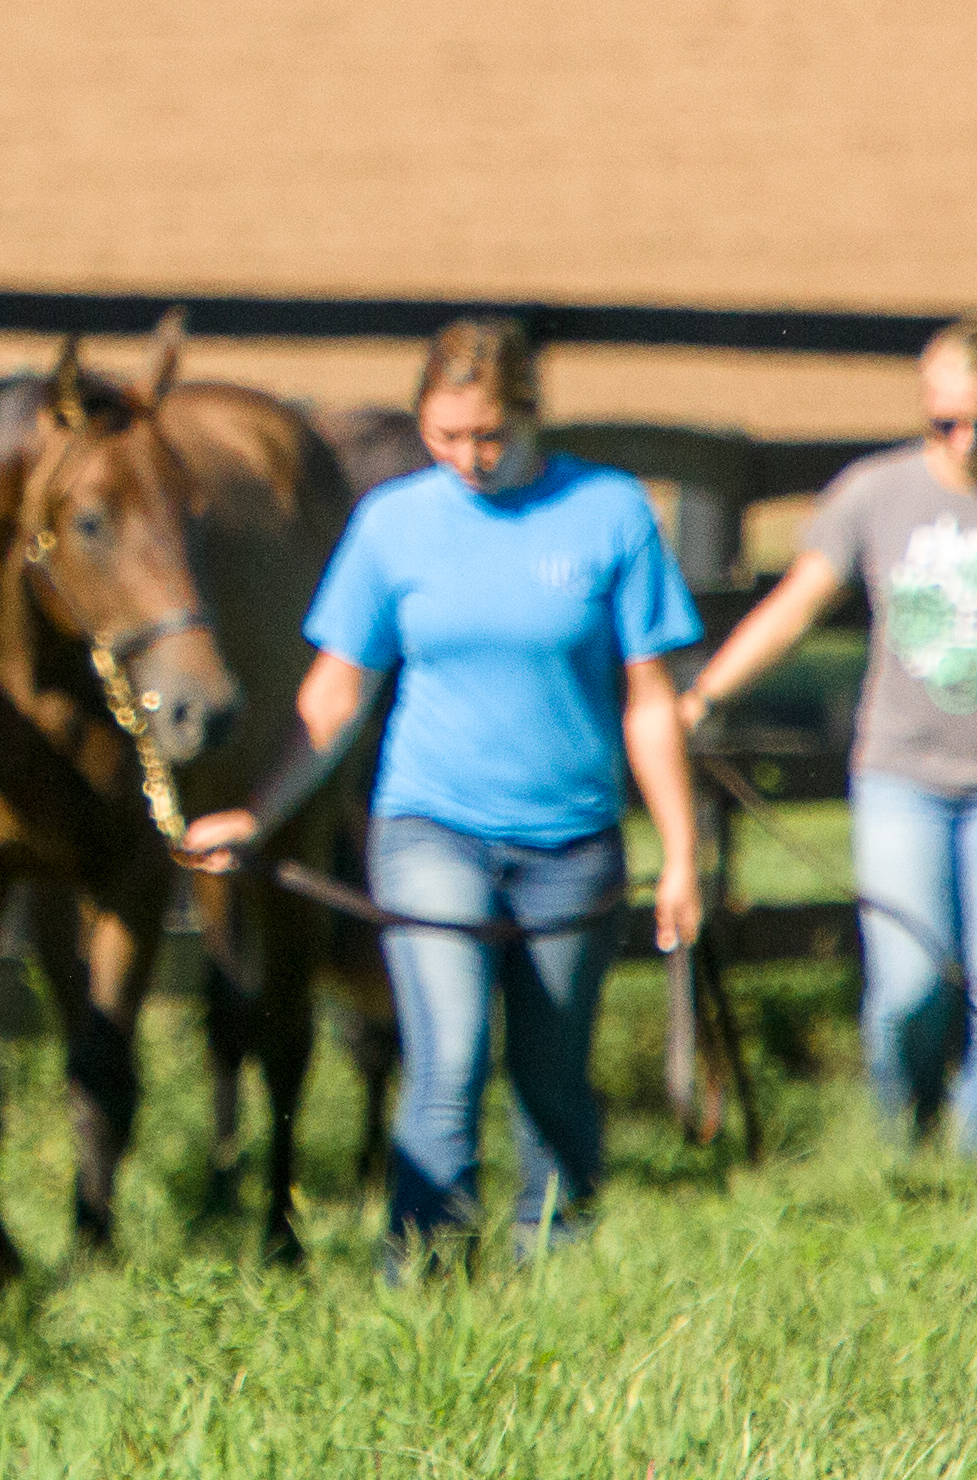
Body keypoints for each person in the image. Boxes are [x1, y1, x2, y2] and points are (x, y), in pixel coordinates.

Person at [183, 315, 698, 1271]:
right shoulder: (395, 525)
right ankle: (417, 1278)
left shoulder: (611, 513)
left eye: (490, 436)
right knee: (448, 1058)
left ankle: (557, 1271)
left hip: (574, 841)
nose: (468, 458)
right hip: (432, 828)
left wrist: (679, 855)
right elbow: (335, 694)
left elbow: (650, 702)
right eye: (445, 436)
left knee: (551, 1076)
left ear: (534, 417)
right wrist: (260, 811)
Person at [678, 318, 977, 1156]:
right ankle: (905, 1141)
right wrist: (705, 693)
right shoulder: (874, 495)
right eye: (944, 423)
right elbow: (796, 606)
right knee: (906, 987)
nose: (964, 443)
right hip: (901, 778)